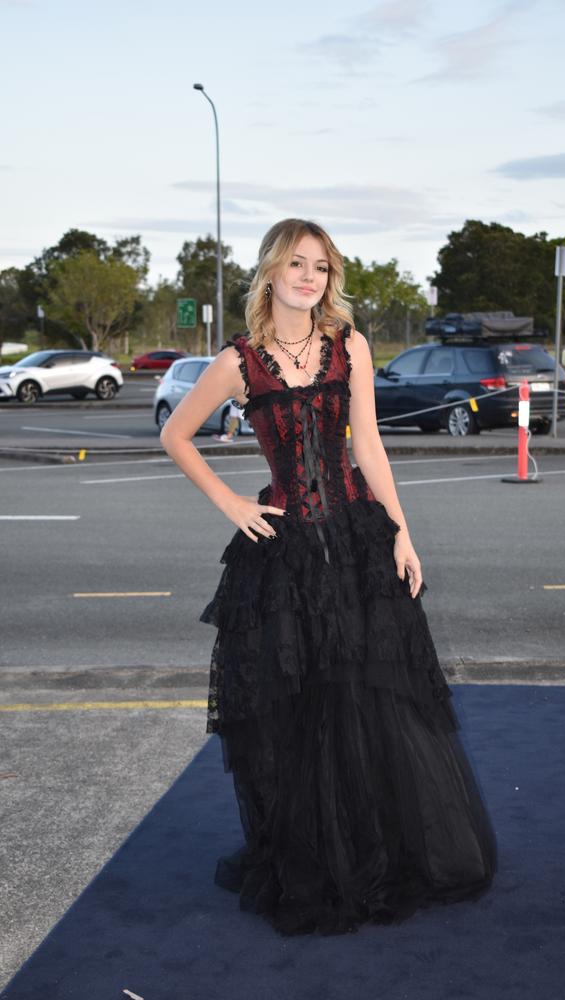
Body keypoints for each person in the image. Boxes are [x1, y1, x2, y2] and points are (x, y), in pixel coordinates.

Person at [159, 218, 498, 937]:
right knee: (297, 711)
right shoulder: (238, 361)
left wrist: (402, 533)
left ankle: (376, 846)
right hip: (280, 553)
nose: (309, 277)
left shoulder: (351, 346)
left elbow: (367, 445)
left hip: (354, 541)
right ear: (271, 274)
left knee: (369, 700)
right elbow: (174, 434)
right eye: (296, 264)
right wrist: (229, 502)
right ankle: (315, 858)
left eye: (320, 266)